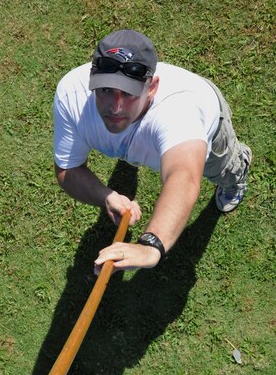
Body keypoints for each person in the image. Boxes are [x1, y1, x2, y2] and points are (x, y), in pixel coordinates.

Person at [53, 29, 251, 272]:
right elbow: (67, 168)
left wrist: (151, 244)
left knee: (221, 170)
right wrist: (105, 196)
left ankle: (237, 171)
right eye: (105, 90)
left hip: (209, 129)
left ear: (153, 87)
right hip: (141, 143)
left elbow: (184, 176)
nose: (115, 107)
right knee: (130, 147)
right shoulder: (71, 96)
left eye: (128, 93)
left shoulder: (178, 112)